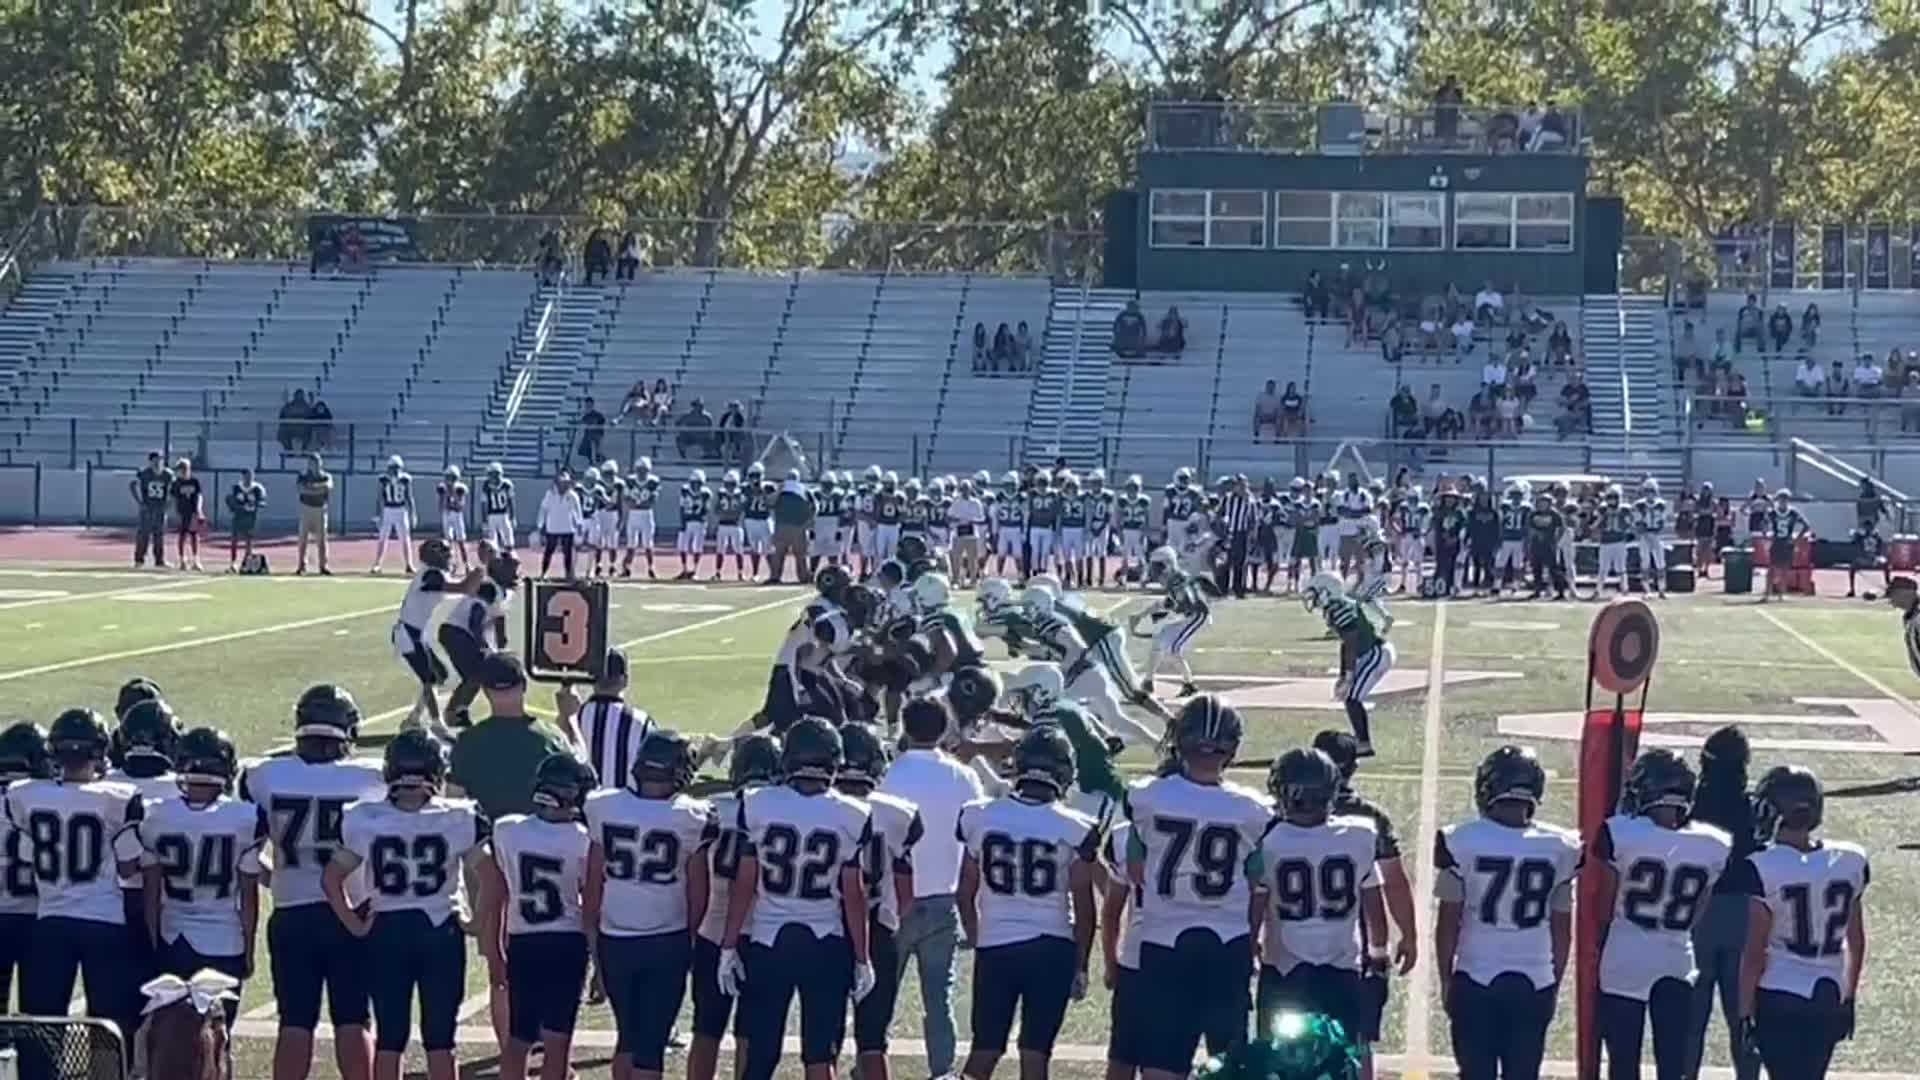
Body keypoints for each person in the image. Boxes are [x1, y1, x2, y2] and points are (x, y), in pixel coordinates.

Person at [323, 730, 491, 1080]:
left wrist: (354, 923)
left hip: (387, 932)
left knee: (391, 1039)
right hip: (439, 932)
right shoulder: (458, 816)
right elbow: (493, 879)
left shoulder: (363, 817)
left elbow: (331, 879)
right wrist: (476, 923)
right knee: (441, 1040)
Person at [239, 685, 386, 1080]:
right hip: (350, 913)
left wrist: (276, 877)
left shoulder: (264, 775)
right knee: (354, 1017)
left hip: (292, 914)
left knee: (295, 1021)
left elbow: (247, 851)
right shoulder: (372, 777)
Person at [716, 717, 876, 1080]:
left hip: (768, 941)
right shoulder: (854, 813)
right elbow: (853, 894)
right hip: (826, 943)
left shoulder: (756, 803)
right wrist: (862, 957)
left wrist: (729, 944)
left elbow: (744, 882)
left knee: (760, 1054)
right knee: (820, 1056)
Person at [1123, 696, 1272, 1080]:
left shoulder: (1146, 797)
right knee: (1230, 1064)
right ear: (1232, 747)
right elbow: (1258, 882)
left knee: (1161, 1064)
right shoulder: (1255, 810)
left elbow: (1136, 869)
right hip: (1228, 942)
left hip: (1163, 940)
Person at [956, 725, 1098, 1080]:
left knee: (984, 1050)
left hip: (996, 946)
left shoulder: (978, 815)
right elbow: (1084, 906)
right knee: (1035, 1056)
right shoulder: (1077, 826)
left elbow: (965, 887)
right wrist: (1081, 965)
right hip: (1052, 947)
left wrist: (976, 934)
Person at [1434, 745, 1582, 1080]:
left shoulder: (1461, 839)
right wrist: (1553, 981)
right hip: (1534, 978)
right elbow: (1562, 927)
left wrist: (1446, 978)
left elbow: (1448, 924)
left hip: (1476, 975)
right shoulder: (1562, 846)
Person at [5, 709, 147, 1054]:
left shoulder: (24, 794)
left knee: (42, 1033)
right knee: (107, 1031)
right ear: (99, 751)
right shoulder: (119, 796)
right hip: (104, 925)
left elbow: (26, 853)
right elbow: (129, 868)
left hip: (50, 922)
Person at [1591, 749, 1733, 1080]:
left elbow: (1604, 905)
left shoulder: (1620, 832)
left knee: (1623, 1062)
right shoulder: (1713, 844)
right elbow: (1698, 909)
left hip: (1625, 953)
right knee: (1673, 1063)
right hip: (1676, 955)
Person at [1733, 766, 1870, 1080]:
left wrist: (1743, 1013)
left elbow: (1754, 953)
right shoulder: (1848, 861)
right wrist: (1848, 996)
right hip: (1827, 993)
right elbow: (1856, 940)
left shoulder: (1763, 867)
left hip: (1780, 994)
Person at [1253, 749, 1389, 1055]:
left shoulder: (1268, 841)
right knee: (1343, 1059)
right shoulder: (1359, 835)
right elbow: (1374, 908)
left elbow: (1255, 910)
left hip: (1285, 972)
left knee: (1274, 1061)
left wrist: (1248, 951)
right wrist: (1379, 957)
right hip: (1340, 970)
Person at [877, 698, 985, 1078]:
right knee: (939, 998)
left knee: (881, 995)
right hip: (945, 896)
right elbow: (975, 835)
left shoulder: (892, 774)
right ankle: (942, 1071)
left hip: (898, 898)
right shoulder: (962, 776)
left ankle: (872, 1064)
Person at [481, 753, 598, 1080]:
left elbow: (499, 893)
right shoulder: (584, 840)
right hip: (567, 942)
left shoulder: (507, 829)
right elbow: (590, 906)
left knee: (518, 1041)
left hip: (523, 941)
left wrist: (494, 946)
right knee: (557, 1043)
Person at [137, 726, 263, 1025]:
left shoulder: (154, 814)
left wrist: (153, 940)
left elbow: (151, 892)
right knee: (219, 1040)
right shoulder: (246, 818)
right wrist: (249, 947)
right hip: (224, 939)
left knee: (173, 1036)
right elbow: (248, 895)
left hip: (173, 936)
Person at [835, 723, 923, 1080]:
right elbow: (906, 888)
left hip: (828, 925)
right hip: (877, 927)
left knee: (824, 1038)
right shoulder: (899, 813)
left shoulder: (820, 807)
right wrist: (890, 920)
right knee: (873, 1040)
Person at [450, 653, 574, 822]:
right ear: (523, 686)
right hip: (538, 843)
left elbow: (453, 802)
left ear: (485, 691)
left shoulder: (466, 742)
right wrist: (570, 719)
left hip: (487, 843)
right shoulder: (550, 739)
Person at [392, 539, 472, 740]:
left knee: (440, 676)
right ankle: (436, 724)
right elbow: (464, 588)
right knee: (429, 679)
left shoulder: (434, 574)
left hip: (417, 633)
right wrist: (483, 568)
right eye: (445, 553)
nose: (449, 557)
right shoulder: (430, 574)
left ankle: (414, 718)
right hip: (408, 634)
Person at [438, 551, 518, 728]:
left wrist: (502, 647)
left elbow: (499, 618)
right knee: (475, 674)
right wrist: (485, 646)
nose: (516, 573)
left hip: (462, 633)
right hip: (457, 632)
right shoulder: (488, 588)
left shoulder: (503, 591)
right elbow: (475, 618)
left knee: (476, 675)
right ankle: (453, 712)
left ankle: (459, 711)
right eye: (512, 568)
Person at [371, 455, 416, 576]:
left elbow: (409, 497)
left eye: (396, 468)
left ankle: (409, 564)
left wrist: (413, 514)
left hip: (401, 510)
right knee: (382, 538)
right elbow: (379, 497)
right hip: (388, 510)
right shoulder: (383, 479)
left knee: (405, 539)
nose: (395, 470)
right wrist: (378, 514)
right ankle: (377, 564)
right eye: (392, 468)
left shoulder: (406, 479)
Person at [536, 470, 584, 580]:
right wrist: (540, 524)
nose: (564, 485)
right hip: (552, 528)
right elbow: (543, 510)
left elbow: (577, 511)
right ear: (557, 483)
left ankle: (568, 574)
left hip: (568, 527)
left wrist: (579, 524)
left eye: (566, 483)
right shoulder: (550, 494)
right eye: (561, 483)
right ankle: (544, 573)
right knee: (549, 551)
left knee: (568, 553)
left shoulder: (573, 495)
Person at [132, 451, 172, 568]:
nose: (158, 462)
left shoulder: (167, 474)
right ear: (151, 461)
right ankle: (139, 560)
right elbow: (133, 485)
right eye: (156, 460)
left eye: (160, 459)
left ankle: (159, 560)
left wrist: (169, 503)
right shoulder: (145, 473)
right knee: (143, 535)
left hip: (160, 509)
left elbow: (173, 489)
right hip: (147, 509)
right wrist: (140, 502)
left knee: (159, 536)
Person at [296, 452, 334, 575]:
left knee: (322, 540)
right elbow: (301, 490)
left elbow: (327, 488)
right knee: (303, 539)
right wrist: (317, 489)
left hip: (320, 509)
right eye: (312, 462)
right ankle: (301, 565)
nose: (315, 465)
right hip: (306, 508)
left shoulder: (326, 476)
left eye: (317, 462)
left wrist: (311, 488)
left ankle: (323, 565)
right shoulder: (302, 476)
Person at [225, 467, 266, 572]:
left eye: (251, 476)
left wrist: (253, 505)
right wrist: (238, 507)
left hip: (251, 517)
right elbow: (230, 500)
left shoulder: (257, 488)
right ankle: (233, 563)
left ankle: (246, 563)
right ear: (242, 477)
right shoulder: (236, 487)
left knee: (249, 541)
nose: (249, 478)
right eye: (246, 476)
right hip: (238, 516)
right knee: (234, 540)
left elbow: (262, 501)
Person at [171, 457, 206, 572]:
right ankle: (182, 560)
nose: (182, 471)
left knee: (194, 535)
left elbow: (199, 496)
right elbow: (174, 498)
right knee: (182, 536)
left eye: (184, 468)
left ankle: (196, 560)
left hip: (193, 511)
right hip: (182, 512)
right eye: (180, 469)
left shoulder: (194, 481)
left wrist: (199, 510)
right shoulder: (176, 483)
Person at [578, 397, 607, 467]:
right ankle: (593, 461)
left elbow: (602, 422)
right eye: (586, 404)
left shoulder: (597, 414)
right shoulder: (585, 415)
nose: (588, 406)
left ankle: (599, 459)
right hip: (588, 435)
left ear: (592, 404)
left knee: (596, 450)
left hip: (596, 435)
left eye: (589, 404)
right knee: (585, 449)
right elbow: (582, 422)